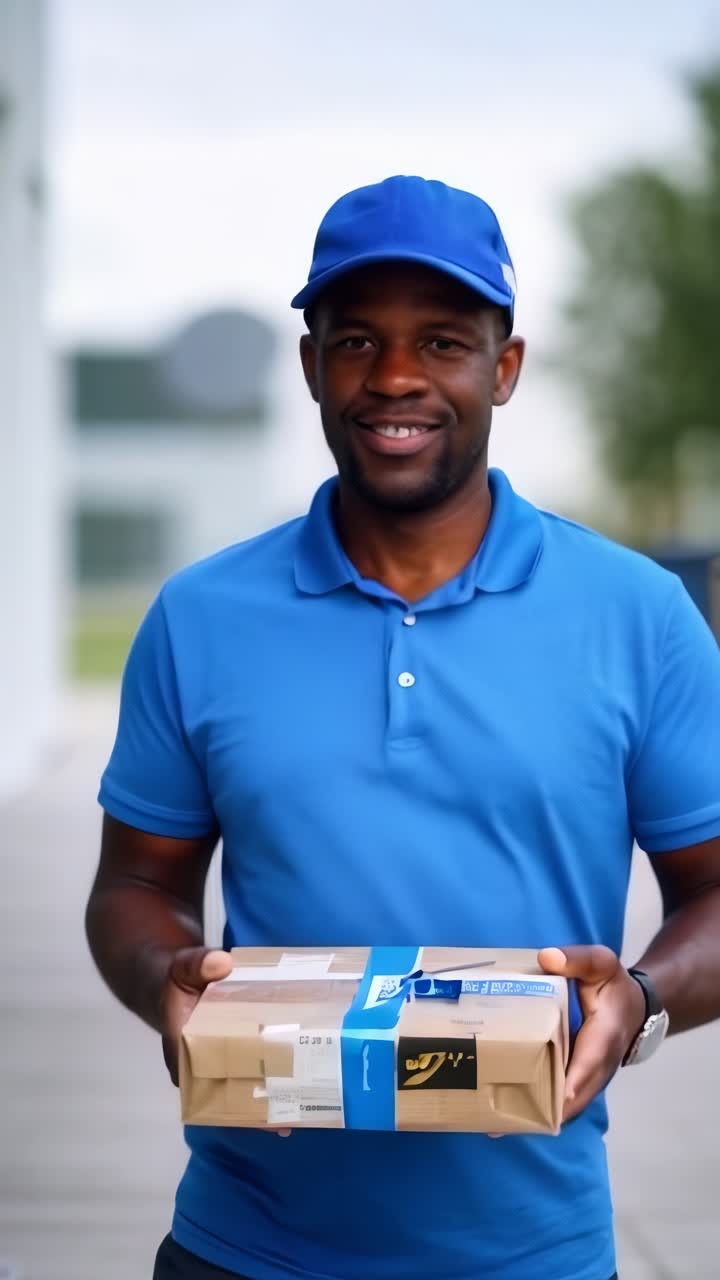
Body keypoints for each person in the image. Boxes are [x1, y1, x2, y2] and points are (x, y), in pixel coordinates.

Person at [86, 175, 720, 1280]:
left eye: (441, 340)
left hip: (537, 1256)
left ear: (504, 366)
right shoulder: (202, 615)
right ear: (310, 364)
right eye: (355, 341)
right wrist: (165, 981)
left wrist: (644, 997)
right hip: (243, 1249)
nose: (393, 378)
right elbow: (134, 885)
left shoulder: (636, 615)